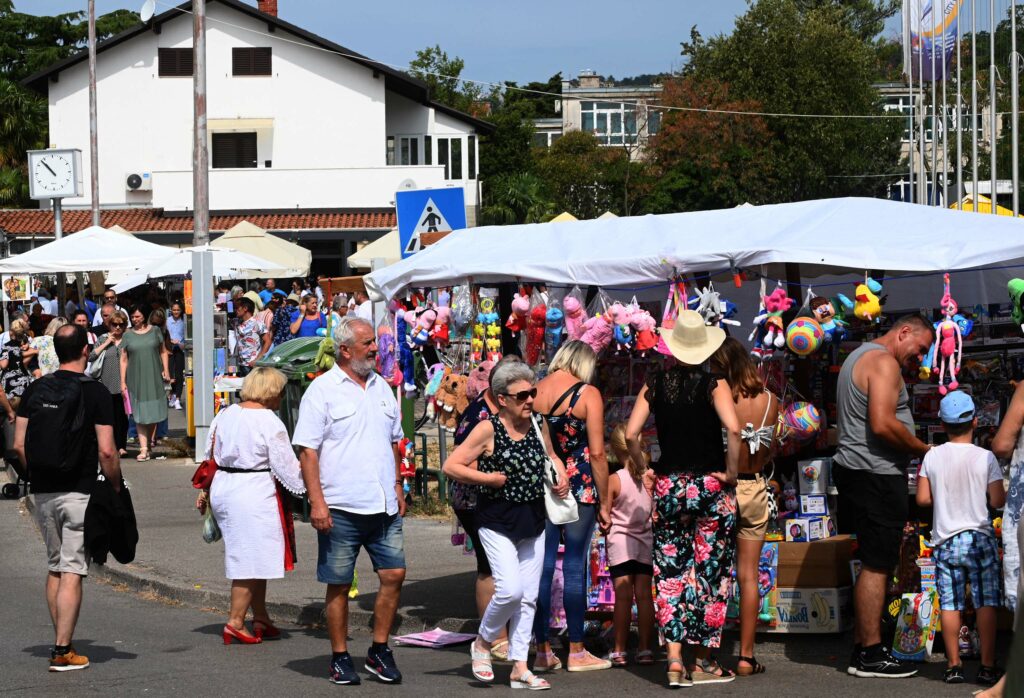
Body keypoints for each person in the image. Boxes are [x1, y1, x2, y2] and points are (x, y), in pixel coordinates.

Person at [625, 310, 741, 688]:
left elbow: (630, 434)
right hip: (709, 484)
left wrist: (644, 466)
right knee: (711, 571)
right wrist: (731, 472)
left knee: (671, 573)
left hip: (670, 485)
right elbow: (735, 429)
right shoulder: (714, 382)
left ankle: (674, 659)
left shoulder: (655, 383)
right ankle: (704, 660)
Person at [293, 316, 407, 685]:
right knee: (339, 583)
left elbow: (395, 442)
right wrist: (317, 502)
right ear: (345, 350)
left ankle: (378, 649)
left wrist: (398, 487)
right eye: (368, 343)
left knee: (394, 575)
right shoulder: (322, 390)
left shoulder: (382, 387)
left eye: (375, 342)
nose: (376, 349)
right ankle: (340, 656)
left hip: (383, 504)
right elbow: (308, 451)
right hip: (340, 506)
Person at [443, 360, 570, 690]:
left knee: (528, 597)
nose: (530, 399)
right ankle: (482, 643)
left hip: (533, 521)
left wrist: (561, 476)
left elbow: (551, 456)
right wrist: (488, 477)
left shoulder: (538, 421)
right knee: (510, 590)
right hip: (496, 521)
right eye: (522, 395)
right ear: (502, 399)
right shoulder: (488, 429)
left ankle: (519, 666)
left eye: (533, 392)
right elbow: (451, 465)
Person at [13, 324, 122, 672]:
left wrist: (36, 474)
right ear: (85, 351)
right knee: (73, 568)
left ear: (55, 352)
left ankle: (62, 640)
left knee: (55, 567)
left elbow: (18, 444)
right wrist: (116, 486)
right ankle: (62, 651)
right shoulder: (96, 392)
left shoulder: (36, 388)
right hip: (80, 489)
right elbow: (107, 451)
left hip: (43, 490)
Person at [833, 313, 934, 679]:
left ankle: (863, 646)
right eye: (920, 349)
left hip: (858, 471)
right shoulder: (884, 362)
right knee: (878, 563)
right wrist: (924, 450)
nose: (919, 358)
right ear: (904, 332)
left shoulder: (858, 356)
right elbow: (882, 422)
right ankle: (871, 655)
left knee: (873, 561)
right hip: (875, 473)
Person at [197, 367, 307, 645]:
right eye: (280, 392)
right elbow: (287, 468)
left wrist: (207, 492)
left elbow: (210, 454)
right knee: (248, 557)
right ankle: (235, 621)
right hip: (253, 490)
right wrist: (313, 475)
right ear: (271, 392)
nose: (282, 397)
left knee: (255, 553)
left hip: (225, 485)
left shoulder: (226, 413)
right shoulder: (269, 421)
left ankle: (261, 615)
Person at [915, 391, 1005, 686]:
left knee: (951, 603)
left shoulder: (932, 456)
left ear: (942, 423)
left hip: (945, 540)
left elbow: (923, 498)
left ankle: (953, 665)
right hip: (979, 537)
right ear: (975, 422)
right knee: (985, 602)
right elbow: (996, 498)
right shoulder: (986, 456)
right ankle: (987, 666)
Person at [532, 340, 612, 672]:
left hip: (544, 483)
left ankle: (541, 649)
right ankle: (577, 651)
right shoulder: (588, 394)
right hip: (580, 485)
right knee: (575, 566)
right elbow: (597, 454)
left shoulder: (534, 391)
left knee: (542, 566)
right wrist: (606, 502)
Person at [710, 336, 778, 677]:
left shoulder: (719, 398)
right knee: (749, 576)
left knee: (710, 573)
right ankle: (746, 655)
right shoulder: (771, 401)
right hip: (756, 487)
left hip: (724, 486)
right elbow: (770, 450)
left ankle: (706, 652)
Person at [451, 357, 509, 660]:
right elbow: (462, 461)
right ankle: (493, 636)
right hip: (474, 498)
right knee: (489, 566)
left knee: (498, 566)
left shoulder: (501, 410)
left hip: (491, 497)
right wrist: (495, 477)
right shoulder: (480, 415)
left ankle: (498, 633)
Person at [606, 423, 655, 667]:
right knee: (645, 597)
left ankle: (619, 650)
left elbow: (604, 516)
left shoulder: (614, 480)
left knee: (623, 598)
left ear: (615, 450)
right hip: (645, 541)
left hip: (620, 544)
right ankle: (646, 649)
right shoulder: (649, 478)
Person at [119, 304, 169, 461]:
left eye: (138, 316)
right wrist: (122, 381)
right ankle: (144, 448)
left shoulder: (155, 331)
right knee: (139, 413)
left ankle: (148, 441)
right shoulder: (128, 335)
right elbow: (123, 359)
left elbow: (163, 351)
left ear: (144, 316)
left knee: (153, 412)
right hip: (135, 377)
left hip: (154, 375)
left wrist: (166, 369)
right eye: (133, 317)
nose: (135, 320)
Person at [89, 311, 130, 456]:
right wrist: (107, 343)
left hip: (124, 383)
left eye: (121, 325)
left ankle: (121, 446)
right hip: (105, 382)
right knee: (108, 417)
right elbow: (91, 356)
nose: (117, 328)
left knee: (122, 417)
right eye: (114, 324)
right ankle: (110, 445)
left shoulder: (128, 339)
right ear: (109, 325)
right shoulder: (102, 338)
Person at [1, 318, 36, 407]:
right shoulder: (27, 345)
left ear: (11, 331)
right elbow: (24, 362)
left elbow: (4, 365)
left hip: (9, 383)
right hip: (24, 381)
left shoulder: (6, 347)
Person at [233, 297, 271, 377]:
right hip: (240, 365)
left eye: (237, 307)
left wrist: (257, 360)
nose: (235, 309)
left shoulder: (257, 323)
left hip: (252, 366)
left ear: (245, 308)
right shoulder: (238, 323)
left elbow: (268, 342)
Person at [166, 302, 185, 409]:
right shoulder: (168, 321)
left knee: (179, 375)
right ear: (171, 310)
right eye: (174, 310)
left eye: (178, 310)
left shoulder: (184, 321)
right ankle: (172, 395)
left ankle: (178, 398)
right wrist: (171, 341)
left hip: (180, 350)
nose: (176, 312)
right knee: (171, 375)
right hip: (169, 350)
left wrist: (179, 342)